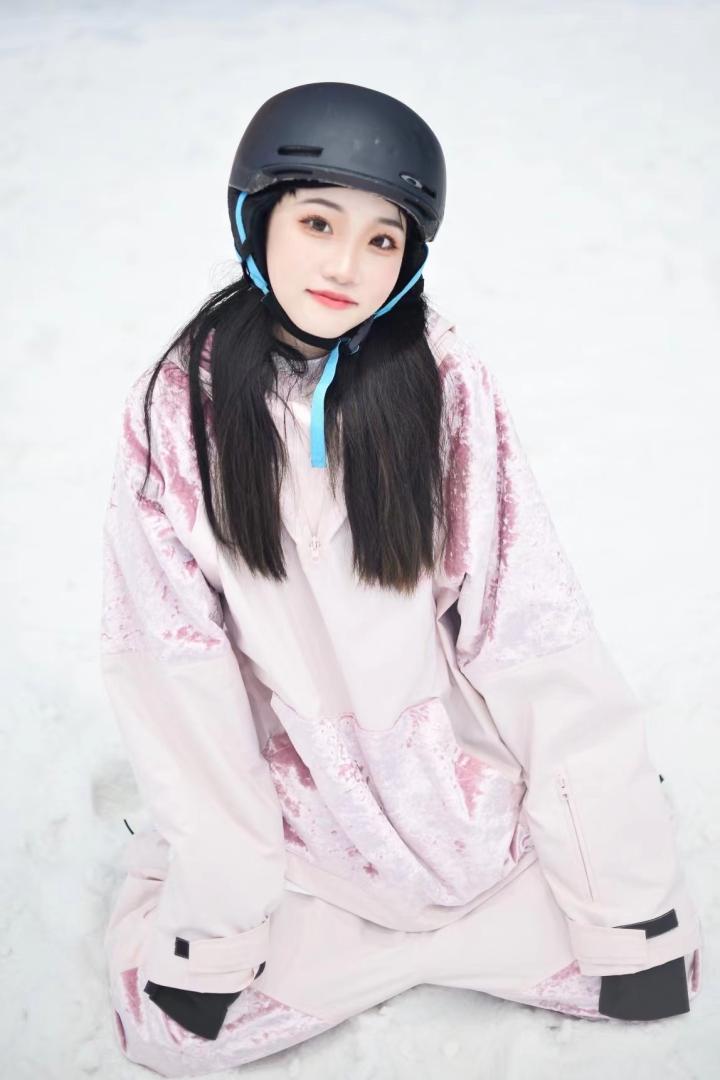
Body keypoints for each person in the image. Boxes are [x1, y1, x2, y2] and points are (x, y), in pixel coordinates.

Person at [100, 81, 703, 1076]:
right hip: (301, 816)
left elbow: (530, 632)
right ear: (258, 220)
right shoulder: (179, 408)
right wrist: (217, 929)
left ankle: (491, 912)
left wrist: (627, 914)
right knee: (176, 1032)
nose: (346, 264)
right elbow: (176, 676)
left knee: (633, 970)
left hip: (455, 806)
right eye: (318, 222)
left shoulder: (443, 381)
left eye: (382, 239)